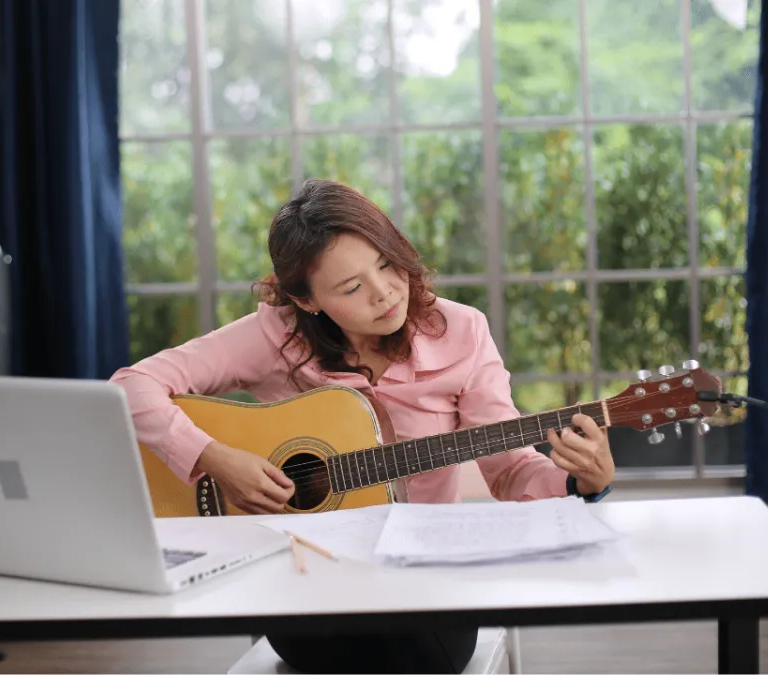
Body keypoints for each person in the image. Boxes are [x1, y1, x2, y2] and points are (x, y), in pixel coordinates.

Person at [110, 178, 616, 673]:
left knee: (409, 651)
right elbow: (130, 385)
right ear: (307, 301)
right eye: (352, 287)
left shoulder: (464, 332)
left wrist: (578, 481)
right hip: (307, 585)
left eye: (386, 263)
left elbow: (510, 472)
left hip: (422, 587)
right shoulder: (274, 334)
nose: (385, 293)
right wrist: (213, 459)